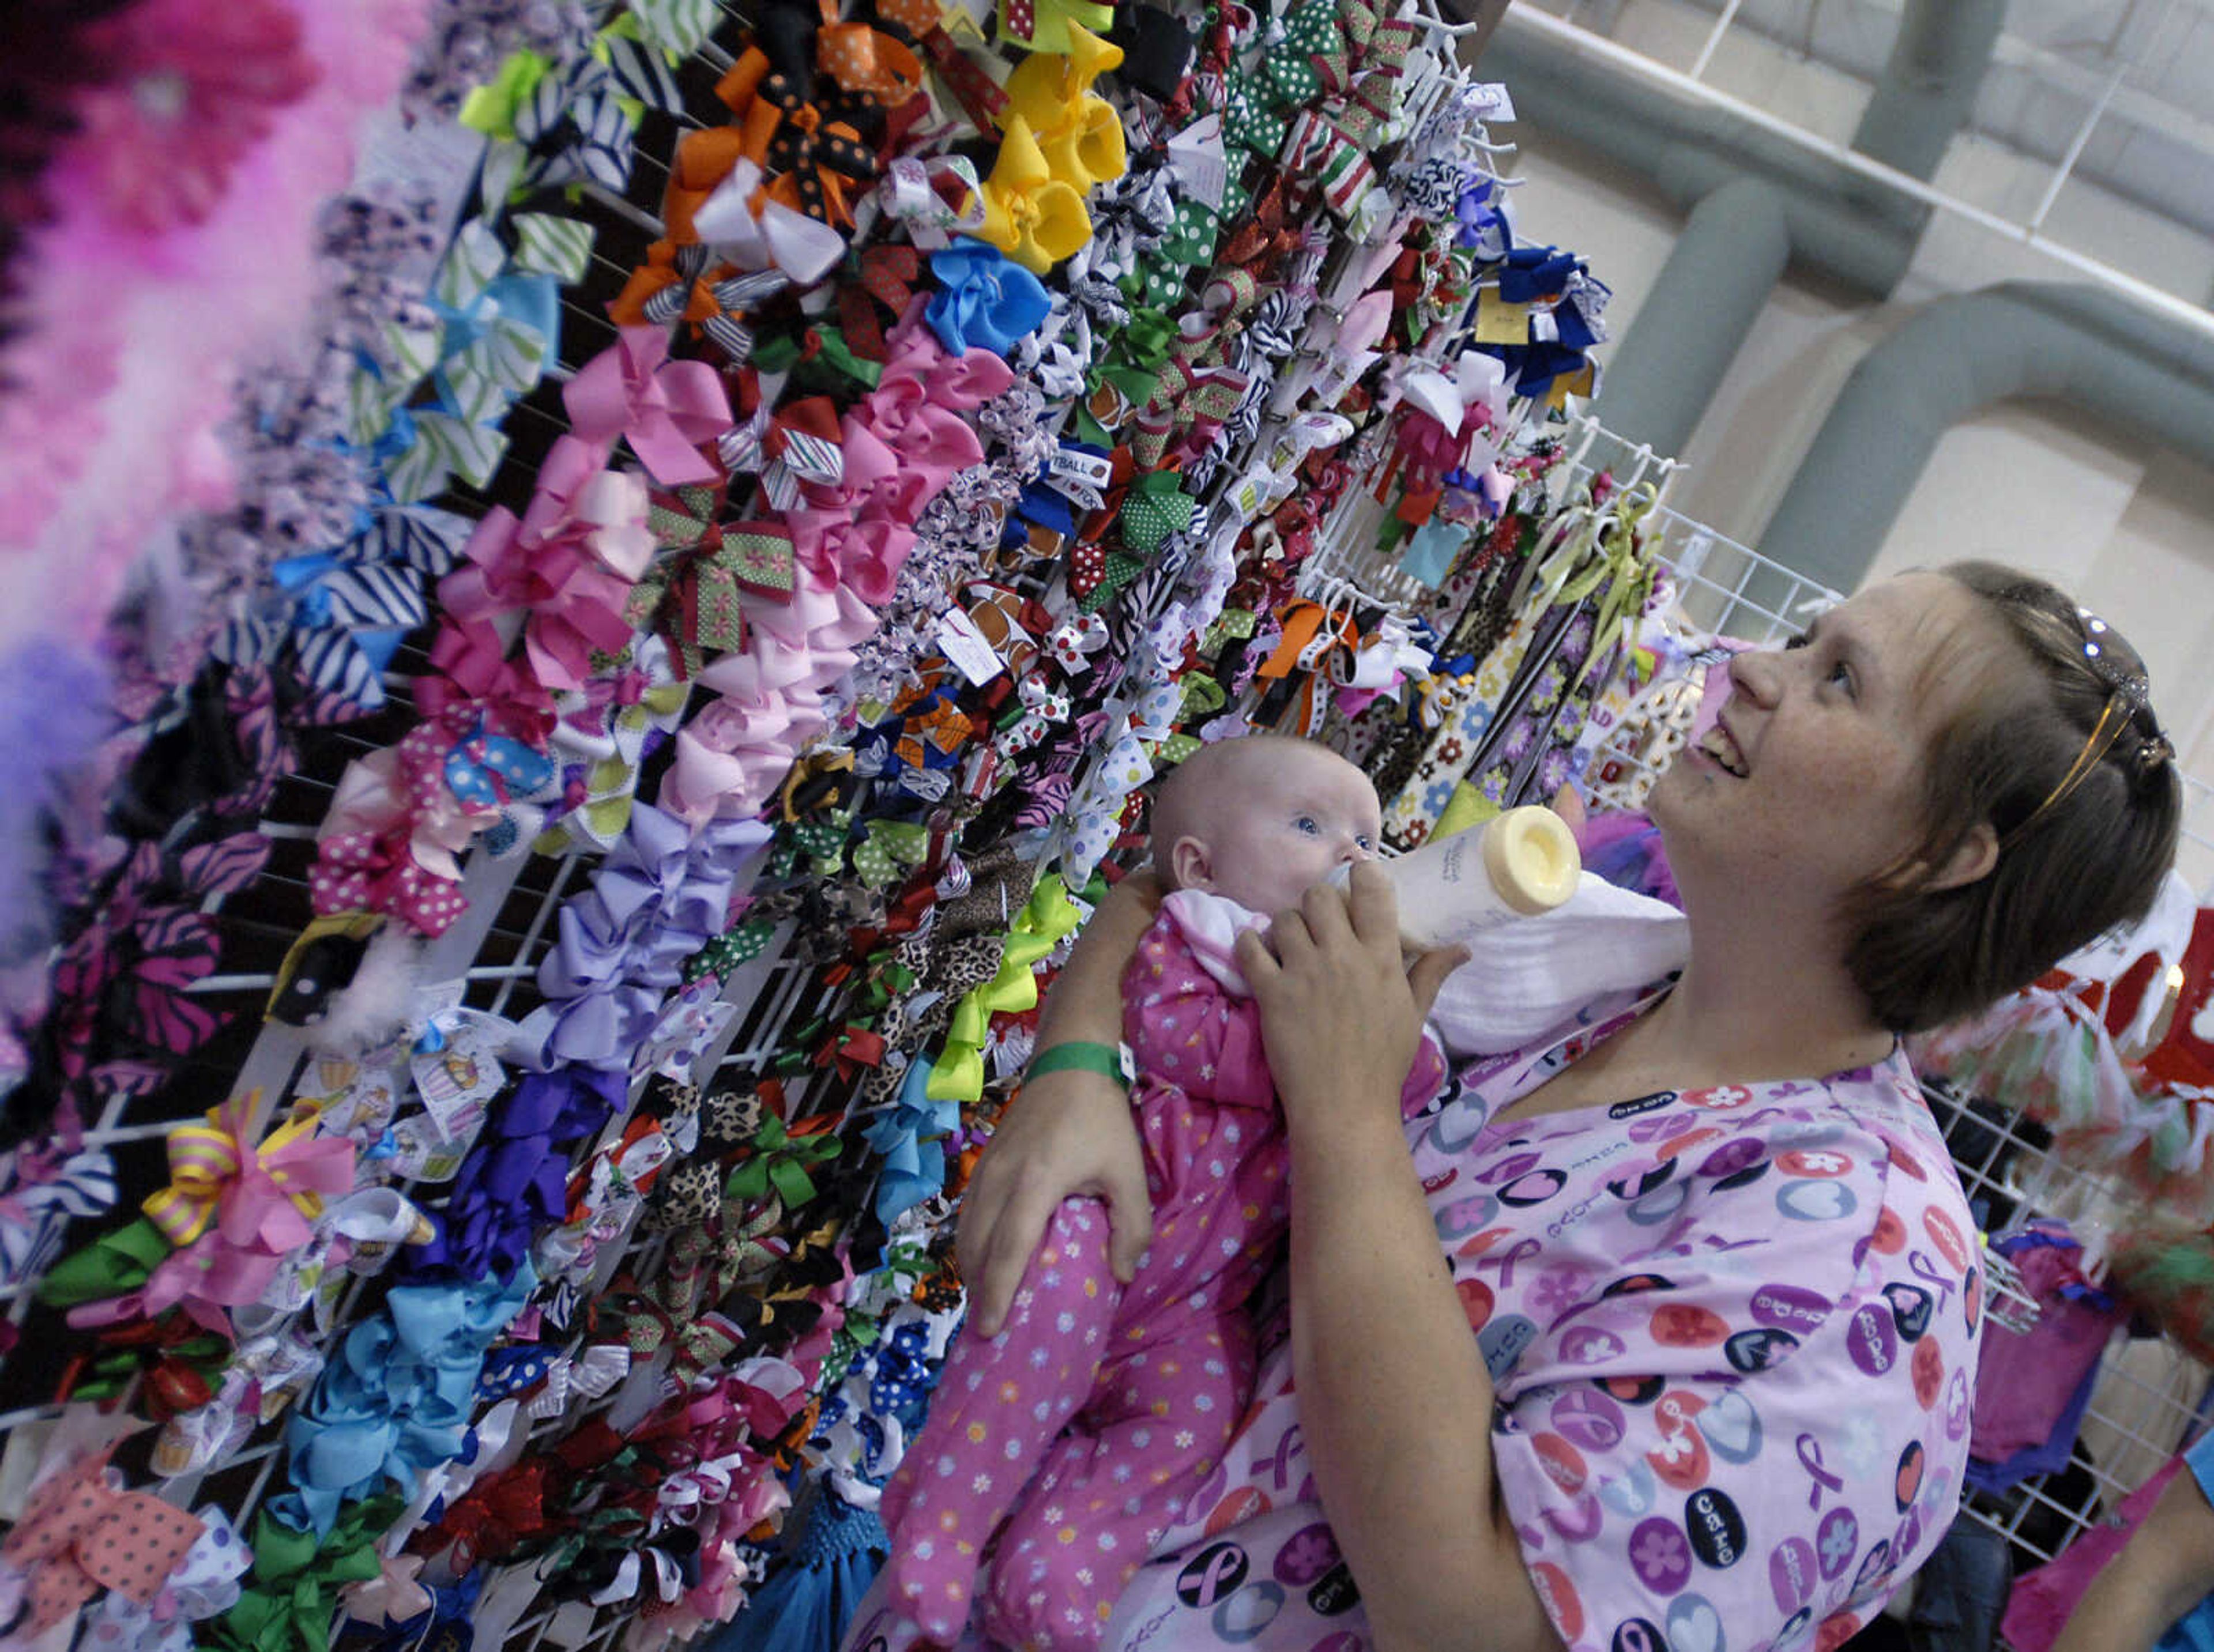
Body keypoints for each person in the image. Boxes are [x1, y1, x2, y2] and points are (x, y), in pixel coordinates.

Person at [846, 563, 2179, 1652]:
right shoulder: (1575, 967)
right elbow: (1208, 896)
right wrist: (1077, 1063)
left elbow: (1491, 1619)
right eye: (1803, 633)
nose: (1758, 669)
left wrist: (1353, 1120)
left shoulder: (1863, 1270)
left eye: (1840, 678)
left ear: (1942, 853)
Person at [873, 736, 1446, 1650]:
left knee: (1191, 1422)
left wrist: (1399, 1038)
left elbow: (1402, 1091)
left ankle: (1060, 1566)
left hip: (1198, 1310)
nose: (1351, 855)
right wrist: (1333, 1055)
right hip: (1113, 1231)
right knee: (1031, 1308)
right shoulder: (1194, 938)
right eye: (1311, 826)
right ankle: (940, 1521)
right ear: (1200, 865)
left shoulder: (1341, 988)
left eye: (1368, 841)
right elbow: (1177, 1039)